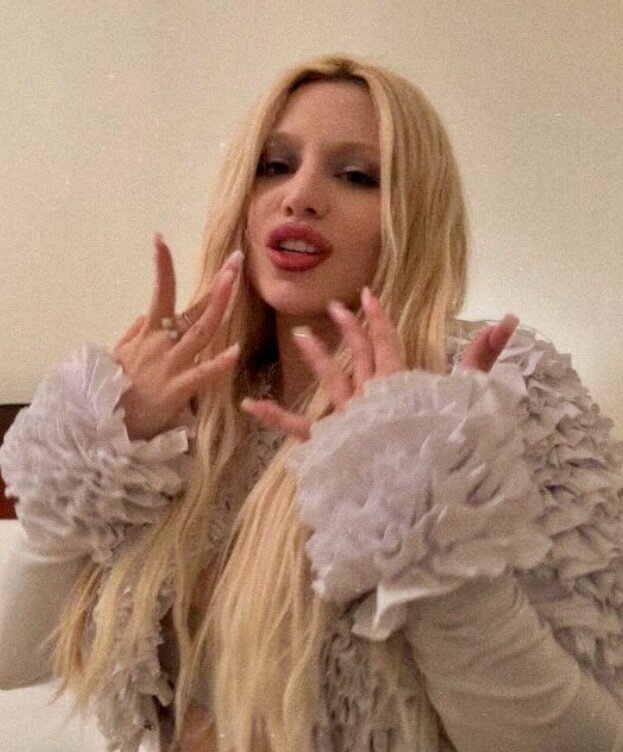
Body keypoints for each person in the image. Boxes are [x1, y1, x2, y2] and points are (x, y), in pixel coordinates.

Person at [0, 53, 622, 752]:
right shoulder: (186, 417)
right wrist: (91, 459)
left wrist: (430, 539)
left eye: (356, 176)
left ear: (412, 214)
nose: (300, 196)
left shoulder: (497, 396)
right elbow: (13, 660)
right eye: (274, 165)